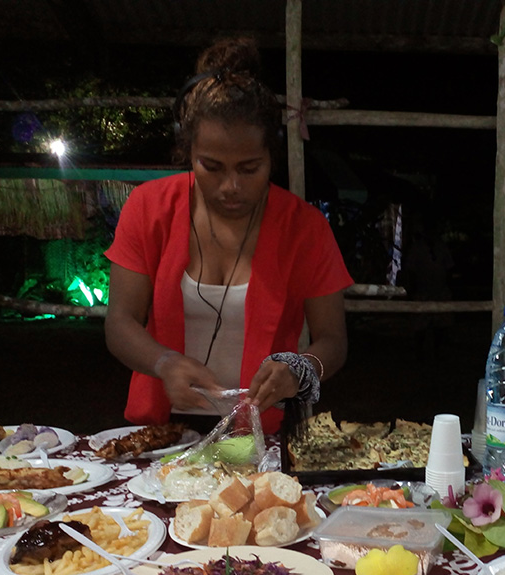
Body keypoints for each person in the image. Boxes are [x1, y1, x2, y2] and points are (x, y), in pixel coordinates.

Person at [105, 37, 353, 434]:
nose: (231, 186)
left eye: (250, 168)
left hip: (262, 433)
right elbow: (120, 322)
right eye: (212, 166)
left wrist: (300, 369)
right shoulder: (148, 207)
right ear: (188, 151)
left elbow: (333, 341)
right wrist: (163, 362)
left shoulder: (304, 227)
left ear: (271, 157)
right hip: (163, 432)